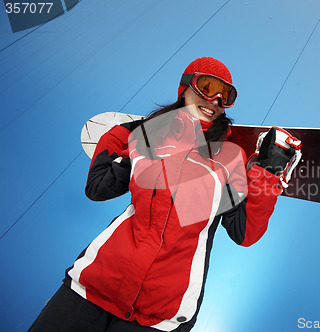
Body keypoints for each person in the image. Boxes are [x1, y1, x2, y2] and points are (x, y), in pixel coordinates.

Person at [29, 57, 301, 332]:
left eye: (226, 95)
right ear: (184, 88)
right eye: (207, 87)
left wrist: (267, 174)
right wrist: (122, 134)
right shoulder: (147, 140)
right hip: (91, 287)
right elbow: (98, 188)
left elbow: (245, 233)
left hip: (161, 314)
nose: (216, 100)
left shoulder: (229, 159)